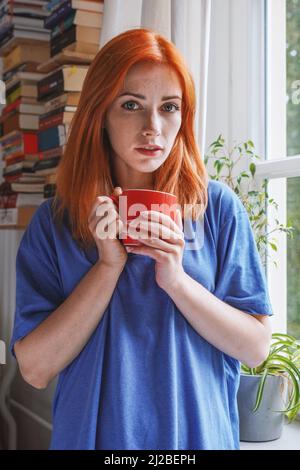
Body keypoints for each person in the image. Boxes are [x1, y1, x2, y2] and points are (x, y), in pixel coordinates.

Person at [10, 28, 273, 450]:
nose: (153, 128)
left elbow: (257, 349)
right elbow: (35, 369)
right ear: (101, 112)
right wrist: (107, 266)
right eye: (131, 105)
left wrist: (176, 279)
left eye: (169, 107)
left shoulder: (218, 209)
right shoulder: (53, 224)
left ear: (183, 118)